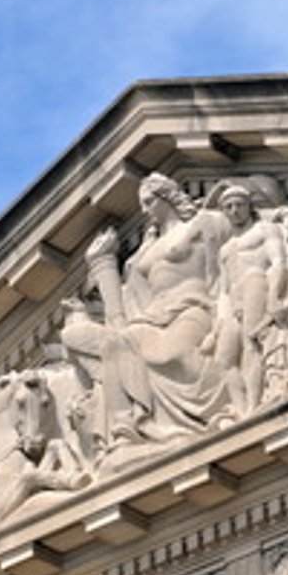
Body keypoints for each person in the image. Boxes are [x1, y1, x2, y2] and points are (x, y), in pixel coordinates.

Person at [62, 173, 232, 453]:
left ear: (167, 196)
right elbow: (121, 316)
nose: (144, 210)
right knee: (113, 344)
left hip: (193, 309)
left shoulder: (203, 224)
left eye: (150, 201)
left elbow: (228, 262)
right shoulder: (144, 252)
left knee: (175, 355)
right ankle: (125, 429)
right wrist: (100, 264)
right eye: (142, 203)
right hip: (153, 318)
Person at [210, 182, 288, 412]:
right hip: (235, 299)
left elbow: (279, 263)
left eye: (239, 205)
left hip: (256, 282)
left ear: (248, 206)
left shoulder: (264, 229)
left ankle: (254, 406)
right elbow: (223, 290)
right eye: (229, 207)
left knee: (251, 343)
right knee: (223, 360)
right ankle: (242, 409)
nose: (234, 210)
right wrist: (219, 324)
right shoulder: (225, 249)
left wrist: (274, 296)